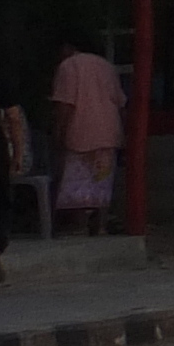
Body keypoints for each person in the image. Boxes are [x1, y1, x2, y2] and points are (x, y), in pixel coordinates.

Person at [49, 34, 123, 236]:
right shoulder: (106, 66)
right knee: (102, 180)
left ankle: (79, 226)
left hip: (80, 128)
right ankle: (100, 225)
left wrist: (59, 131)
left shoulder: (68, 66)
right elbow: (119, 100)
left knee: (77, 182)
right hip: (108, 129)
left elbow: (65, 104)